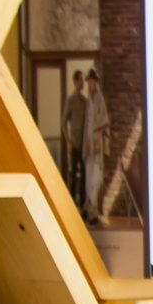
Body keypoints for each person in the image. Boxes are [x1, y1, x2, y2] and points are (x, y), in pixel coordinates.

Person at [59, 68, 89, 207]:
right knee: (72, 174)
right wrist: (68, 142)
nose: (83, 83)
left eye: (84, 80)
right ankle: (71, 204)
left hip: (84, 144)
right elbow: (63, 122)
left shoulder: (85, 101)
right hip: (74, 142)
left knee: (84, 175)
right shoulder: (70, 101)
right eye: (81, 80)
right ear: (76, 81)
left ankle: (82, 205)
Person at [81, 68, 108, 218]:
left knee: (96, 175)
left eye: (92, 82)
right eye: (89, 82)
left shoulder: (99, 99)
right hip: (88, 141)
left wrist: (98, 136)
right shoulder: (88, 100)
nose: (90, 84)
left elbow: (103, 120)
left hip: (96, 140)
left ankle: (90, 205)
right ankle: (89, 205)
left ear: (95, 83)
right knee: (88, 173)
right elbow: (87, 122)